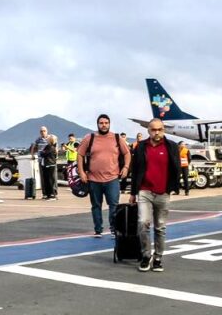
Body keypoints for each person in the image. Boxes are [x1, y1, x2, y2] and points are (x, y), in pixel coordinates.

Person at [129, 119, 181, 272]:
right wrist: (133, 192)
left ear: (163, 130)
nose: (156, 132)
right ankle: (146, 255)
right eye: (153, 129)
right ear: (148, 130)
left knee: (160, 227)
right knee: (143, 223)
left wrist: (174, 187)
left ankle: (158, 258)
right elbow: (135, 170)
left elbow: (176, 167)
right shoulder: (141, 147)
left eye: (159, 129)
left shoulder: (171, 146)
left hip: (163, 192)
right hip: (145, 191)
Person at [77, 114, 130, 238]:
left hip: (112, 178)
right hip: (93, 179)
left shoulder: (117, 138)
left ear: (109, 124)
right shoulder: (90, 138)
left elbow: (127, 153)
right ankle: (98, 229)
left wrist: (126, 167)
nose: (104, 125)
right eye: (101, 123)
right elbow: (80, 154)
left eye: (106, 123)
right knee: (96, 205)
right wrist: (82, 172)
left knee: (114, 205)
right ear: (97, 124)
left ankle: (113, 229)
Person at [29, 125, 49, 198]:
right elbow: (33, 146)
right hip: (41, 160)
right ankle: (44, 194)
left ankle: (50, 193)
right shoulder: (38, 139)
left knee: (49, 178)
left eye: (44, 131)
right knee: (43, 177)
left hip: (48, 161)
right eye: (41, 131)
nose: (42, 132)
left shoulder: (50, 139)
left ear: (47, 131)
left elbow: (55, 147)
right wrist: (32, 155)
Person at [41, 134, 59, 200]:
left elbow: (43, 153)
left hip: (50, 164)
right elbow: (43, 153)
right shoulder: (49, 146)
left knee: (50, 180)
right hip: (46, 164)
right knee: (47, 180)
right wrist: (43, 152)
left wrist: (43, 152)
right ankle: (48, 194)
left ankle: (52, 195)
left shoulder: (50, 147)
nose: (46, 139)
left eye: (48, 138)